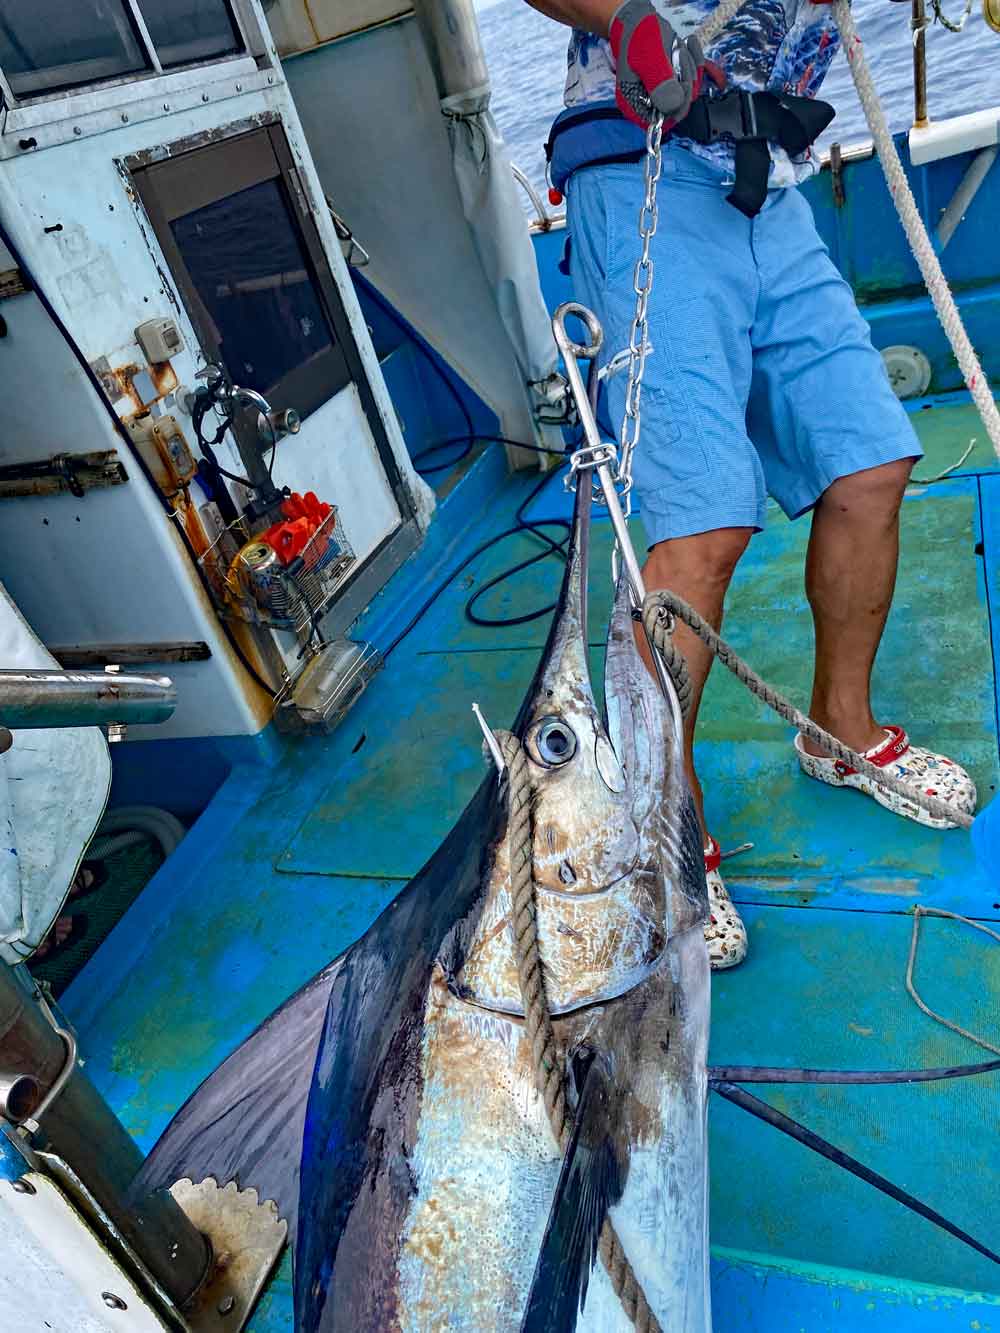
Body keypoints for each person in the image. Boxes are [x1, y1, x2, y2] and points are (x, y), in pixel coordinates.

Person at [528, 0, 976, 969]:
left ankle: (838, 734)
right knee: (703, 524)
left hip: (768, 181)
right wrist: (624, 20)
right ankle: (664, 824)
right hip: (638, 162)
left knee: (870, 460)